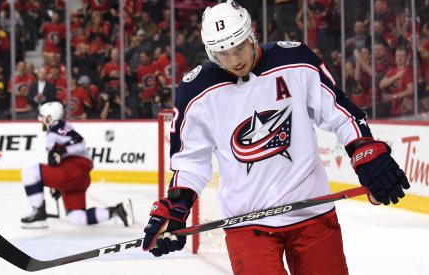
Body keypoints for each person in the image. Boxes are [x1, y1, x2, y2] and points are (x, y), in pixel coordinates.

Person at [141, 1, 410, 274]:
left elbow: (341, 113)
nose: (235, 60)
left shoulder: (295, 62)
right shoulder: (196, 92)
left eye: (239, 47)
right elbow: (191, 161)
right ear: (211, 53)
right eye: (223, 54)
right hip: (247, 224)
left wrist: (365, 152)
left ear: (252, 34)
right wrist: (176, 205)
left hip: (312, 213)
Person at [20, 101, 133, 229]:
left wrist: (61, 150)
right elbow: (57, 158)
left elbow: (79, 142)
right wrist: (57, 185)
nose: (40, 120)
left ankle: (38, 215)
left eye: (42, 116)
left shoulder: (57, 127)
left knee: (30, 172)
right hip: (78, 177)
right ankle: (116, 211)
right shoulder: (61, 127)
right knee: (77, 217)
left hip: (72, 170)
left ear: (50, 117)